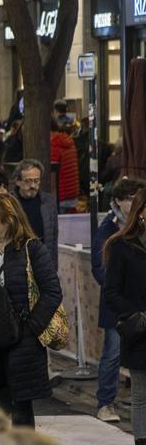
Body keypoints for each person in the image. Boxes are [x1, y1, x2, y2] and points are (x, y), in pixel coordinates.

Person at [0, 193, 62, 427]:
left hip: (19, 345)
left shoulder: (32, 249)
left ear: (9, 220)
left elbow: (52, 292)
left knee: (19, 411)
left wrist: (30, 328)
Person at [92, 178, 146, 423]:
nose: (134, 204)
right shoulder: (109, 230)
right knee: (112, 353)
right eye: (130, 199)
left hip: (135, 304)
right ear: (118, 202)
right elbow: (100, 268)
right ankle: (105, 402)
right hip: (122, 308)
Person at [104, 189, 146, 444]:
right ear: (140, 213)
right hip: (140, 329)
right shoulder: (121, 246)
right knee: (141, 393)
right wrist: (137, 315)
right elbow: (111, 292)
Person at [12, 159, 58, 269]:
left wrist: (53, 266)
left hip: (42, 260)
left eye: (36, 181)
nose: (33, 185)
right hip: (17, 260)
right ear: (18, 181)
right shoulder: (9, 202)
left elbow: (53, 237)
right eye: (28, 181)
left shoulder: (48, 202)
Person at [50, 119, 80, 213]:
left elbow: (53, 173)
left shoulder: (54, 145)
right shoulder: (70, 144)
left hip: (61, 196)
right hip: (72, 194)